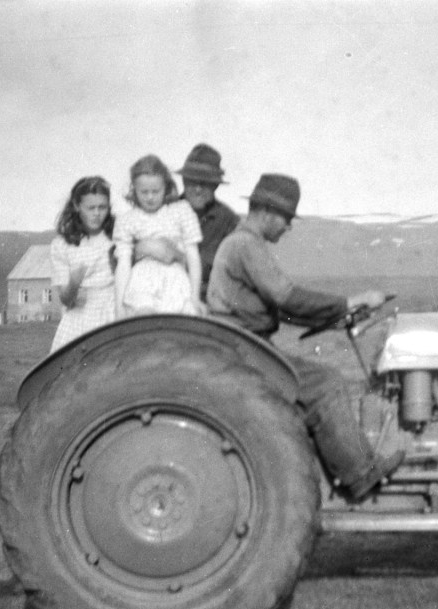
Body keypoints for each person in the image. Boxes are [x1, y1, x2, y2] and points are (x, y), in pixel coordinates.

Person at [207, 173, 404, 500]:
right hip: (245, 349)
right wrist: (350, 301)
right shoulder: (245, 245)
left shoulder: (243, 243)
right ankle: (360, 475)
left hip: (244, 344)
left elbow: (280, 309)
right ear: (267, 212)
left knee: (317, 381)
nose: (288, 226)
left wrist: (334, 316)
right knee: (327, 383)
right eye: (286, 217)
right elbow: (287, 298)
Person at [114, 154, 204, 317]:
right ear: (134, 189)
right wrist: (119, 307)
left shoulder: (181, 210)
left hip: (174, 278)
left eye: (156, 191)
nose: (150, 197)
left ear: (166, 188)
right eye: (144, 192)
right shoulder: (128, 220)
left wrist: (195, 296)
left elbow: (192, 254)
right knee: (145, 317)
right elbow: (123, 264)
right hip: (142, 280)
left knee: (178, 319)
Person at [48, 176, 117, 353]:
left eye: (102, 207)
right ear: (77, 206)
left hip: (112, 314)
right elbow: (65, 299)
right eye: (91, 208)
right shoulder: (62, 245)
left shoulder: (117, 236)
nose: (97, 213)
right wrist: (74, 282)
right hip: (79, 318)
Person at [176, 144, 240, 301]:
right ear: (184, 181)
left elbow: (233, 275)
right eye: (192, 181)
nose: (198, 189)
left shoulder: (229, 221)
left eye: (204, 183)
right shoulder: (164, 211)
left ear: (215, 185)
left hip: (207, 301)